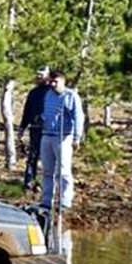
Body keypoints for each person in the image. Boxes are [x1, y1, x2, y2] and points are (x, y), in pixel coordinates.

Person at [39, 70, 83, 211]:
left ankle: (65, 201)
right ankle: (46, 201)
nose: (52, 84)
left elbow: (78, 117)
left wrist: (77, 137)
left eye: (55, 81)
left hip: (63, 137)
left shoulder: (71, 96)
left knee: (63, 171)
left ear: (63, 81)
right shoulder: (48, 94)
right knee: (47, 171)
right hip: (47, 135)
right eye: (51, 81)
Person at [18, 66, 52, 191]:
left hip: (49, 130)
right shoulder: (33, 93)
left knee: (48, 158)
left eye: (41, 75)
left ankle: (48, 184)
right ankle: (29, 181)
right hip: (35, 129)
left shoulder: (53, 92)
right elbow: (27, 112)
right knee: (33, 156)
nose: (38, 77)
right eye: (37, 75)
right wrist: (22, 128)